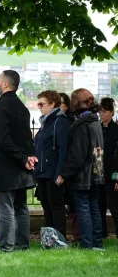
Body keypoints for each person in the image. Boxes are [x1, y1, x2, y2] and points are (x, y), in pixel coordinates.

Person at [0, 70, 36, 253]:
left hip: (3, 167)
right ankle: (22, 245)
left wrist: (24, 158)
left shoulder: (1, 107)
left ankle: (6, 246)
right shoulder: (22, 107)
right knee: (21, 207)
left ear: (5, 84)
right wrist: (30, 156)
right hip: (19, 168)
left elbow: (4, 140)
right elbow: (27, 137)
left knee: (4, 207)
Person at [56, 89, 104, 250]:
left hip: (83, 175)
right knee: (94, 207)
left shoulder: (82, 124)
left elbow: (77, 154)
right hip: (96, 172)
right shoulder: (95, 121)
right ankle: (97, 242)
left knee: (83, 208)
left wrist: (64, 174)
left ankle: (87, 244)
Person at [33, 90, 70, 238]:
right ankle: (49, 238)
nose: (39, 107)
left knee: (56, 206)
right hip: (42, 171)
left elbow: (63, 149)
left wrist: (60, 172)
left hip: (53, 172)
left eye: (41, 104)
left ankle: (59, 237)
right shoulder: (46, 123)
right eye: (38, 104)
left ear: (52, 104)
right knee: (46, 207)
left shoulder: (60, 122)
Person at [60, 92, 79, 242]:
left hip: (69, 171)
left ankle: (76, 236)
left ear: (66, 105)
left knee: (73, 207)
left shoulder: (68, 122)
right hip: (66, 170)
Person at [98, 97, 118, 238]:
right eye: (100, 111)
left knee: (115, 207)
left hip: (112, 173)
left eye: (104, 111)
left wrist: (117, 177)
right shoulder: (97, 129)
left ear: (111, 112)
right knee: (99, 206)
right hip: (98, 172)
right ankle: (102, 234)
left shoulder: (116, 130)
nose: (101, 114)